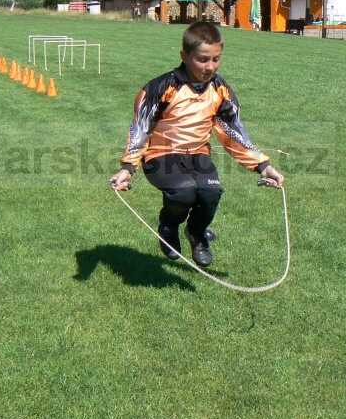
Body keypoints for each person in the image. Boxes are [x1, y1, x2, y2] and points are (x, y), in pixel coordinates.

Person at [109, 21, 283, 267]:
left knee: (211, 193)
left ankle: (197, 233)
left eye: (216, 59)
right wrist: (128, 167)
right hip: (161, 154)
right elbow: (140, 129)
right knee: (183, 192)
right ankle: (168, 227)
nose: (210, 67)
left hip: (198, 155)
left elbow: (232, 131)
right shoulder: (161, 88)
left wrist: (263, 166)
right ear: (185, 56)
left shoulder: (220, 89)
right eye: (203, 59)